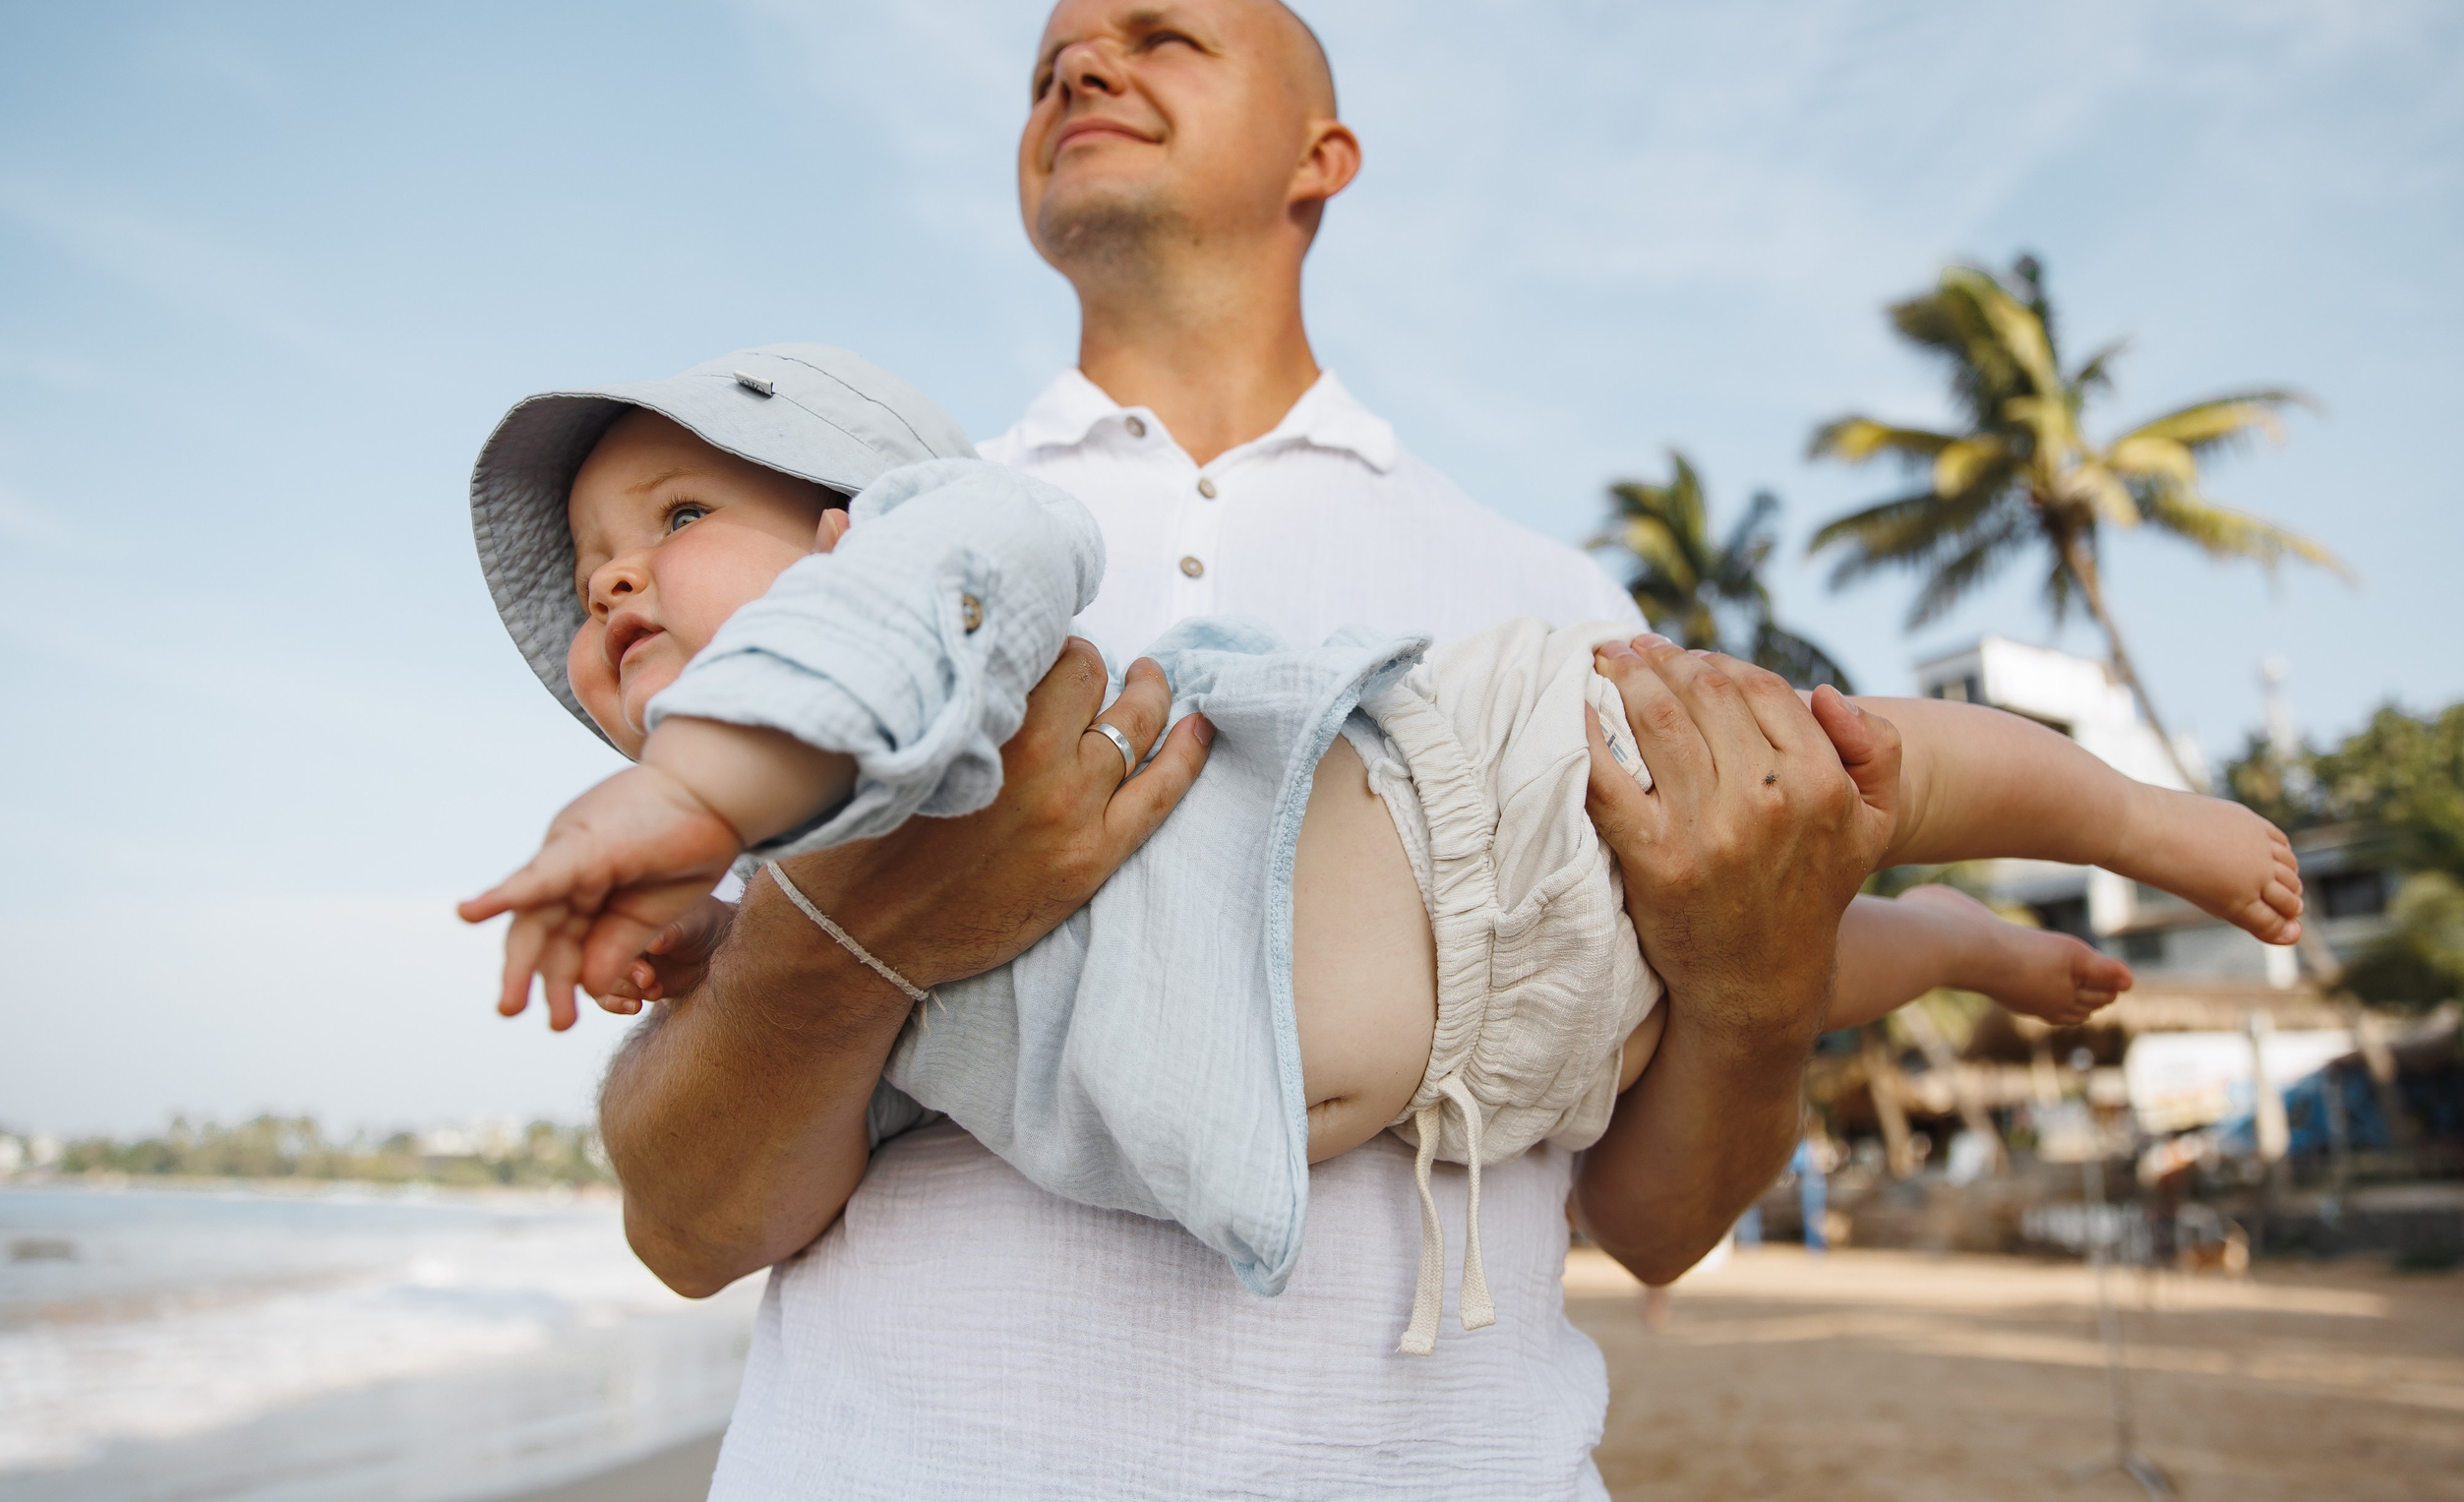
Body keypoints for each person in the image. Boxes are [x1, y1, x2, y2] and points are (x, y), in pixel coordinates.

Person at [555, 0, 2061, 1496]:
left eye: (1161, 42)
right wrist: (856, 932)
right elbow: (689, 1230)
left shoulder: (1548, 598)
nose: (1079, 74)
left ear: (1320, 158)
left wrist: (1755, 987)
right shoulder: (871, 571)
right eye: (1050, 63)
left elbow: (1654, 1225)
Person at [457, 352, 2301, 1352]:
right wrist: (710, 933)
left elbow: (862, 658)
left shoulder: (957, 559)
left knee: (1853, 781)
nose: (616, 576)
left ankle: (2128, 817)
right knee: (1781, 966)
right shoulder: (765, 863)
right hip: (1484, 1077)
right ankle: (1959, 946)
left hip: (1477, 808)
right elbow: (708, 1207)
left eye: (677, 515)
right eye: (595, 577)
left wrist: (662, 804)